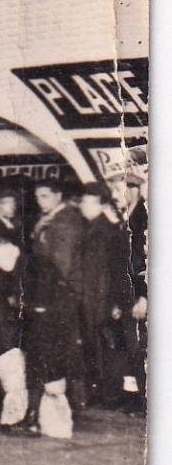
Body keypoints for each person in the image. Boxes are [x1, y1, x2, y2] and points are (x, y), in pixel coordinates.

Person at [26, 180, 85, 437]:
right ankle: (52, 411)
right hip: (51, 292)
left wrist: (48, 294)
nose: (41, 200)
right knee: (51, 352)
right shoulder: (49, 219)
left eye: (46, 195)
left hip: (55, 295)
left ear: (58, 195)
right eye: (38, 196)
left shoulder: (64, 222)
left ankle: (55, 413)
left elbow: (61, 264)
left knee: (52, 352)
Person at [77, 184, 133, 407]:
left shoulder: (104, 232)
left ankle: (108, 394)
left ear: (96, 204)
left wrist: (112, 303)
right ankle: (102, 393)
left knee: (104, 347)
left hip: (100, 299)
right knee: (98, 346)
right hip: (94, 298)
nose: (81, 206)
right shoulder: (93, 228)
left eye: (85, 201)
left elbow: (111, 271)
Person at [0, 239, 33, 434]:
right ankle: (15, 418)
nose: (12, 260)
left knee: (13, 380)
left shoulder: (8, 278)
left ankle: (13, 418)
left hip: (8, 339)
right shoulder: (3, 280)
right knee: (15, 380)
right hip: (10, 339)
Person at [109, 173, 147, 410]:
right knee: (127, 347)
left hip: (137, 293)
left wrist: (144, 296)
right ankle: (133, 396)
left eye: (118, 190)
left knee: (139, 347)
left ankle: (145, 399)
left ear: (133, 190)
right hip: (124, 293)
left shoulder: (143, 217)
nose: (114, 195)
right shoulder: (124, 218)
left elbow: (144, 261)